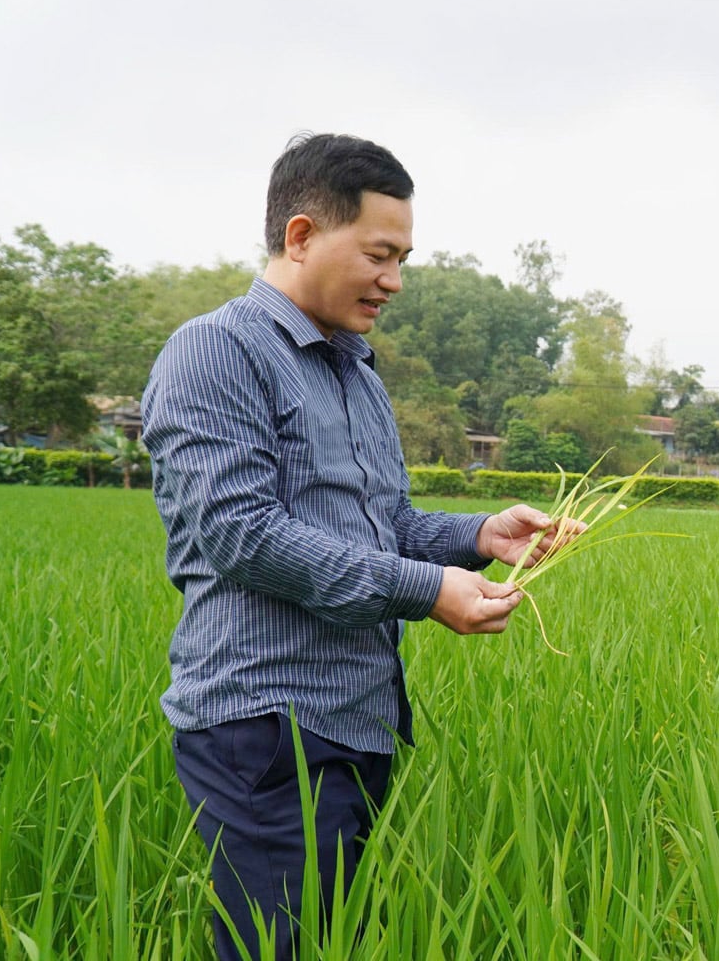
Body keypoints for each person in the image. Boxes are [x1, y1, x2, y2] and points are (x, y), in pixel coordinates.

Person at [142, 133, 571, 960]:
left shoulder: (354, 369)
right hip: (266, 728)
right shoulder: (215, 351)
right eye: (380, 254)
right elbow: (240, 532)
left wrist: (480, 536)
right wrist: (426, 592)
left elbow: (385, 523)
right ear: (301, 235)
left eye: (404, 257)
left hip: (359, 721)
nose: (395, 281)